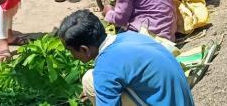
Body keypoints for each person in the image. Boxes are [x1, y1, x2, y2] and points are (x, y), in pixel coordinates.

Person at [58, 10, 194, 106]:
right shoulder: (130, 36)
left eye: (71, 51)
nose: (72, 56)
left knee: (89, 81)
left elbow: (107, 76)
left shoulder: (105, 68)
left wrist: (102, 90)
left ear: (84, 49)